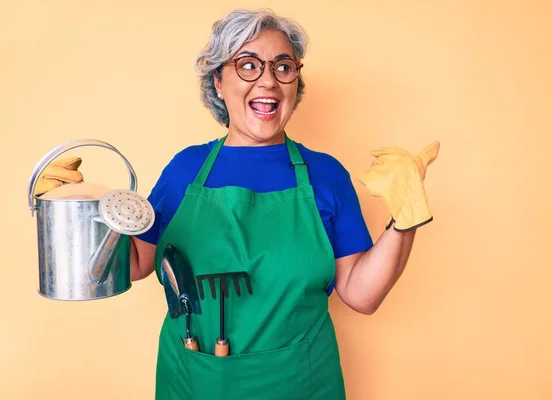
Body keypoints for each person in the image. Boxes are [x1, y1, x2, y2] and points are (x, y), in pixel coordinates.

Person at [34, 8, 439, 400]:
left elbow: (361, 294)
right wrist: (78, 211)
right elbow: (136, 263)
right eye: (248, 64)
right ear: (218, 82)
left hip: (300, 384)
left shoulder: (325, 174)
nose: (268, 81)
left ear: (295, 83)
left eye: (283, 67)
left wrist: (404, 220)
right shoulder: (185, 170)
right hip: (196, 383)